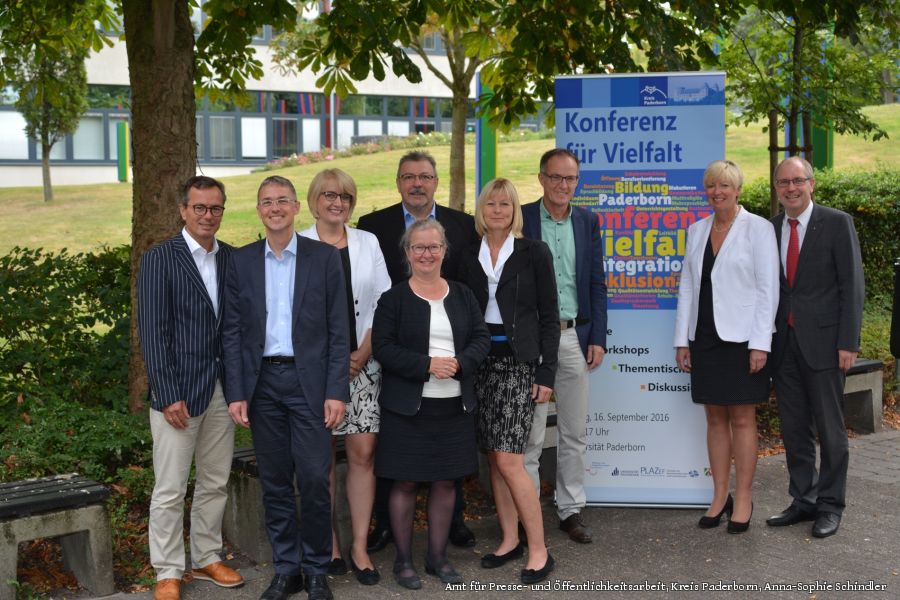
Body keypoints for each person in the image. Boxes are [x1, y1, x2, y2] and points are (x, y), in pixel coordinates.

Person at [222, 175, 349, 600]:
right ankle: (286, 567)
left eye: (282, 201)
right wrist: (236, 392)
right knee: (275, 481)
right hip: (261, 386)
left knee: (314, 478)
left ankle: (316, 567)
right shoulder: (239, 261)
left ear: (297, 207)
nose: (274, 208)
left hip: (309, 383)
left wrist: (337, 390)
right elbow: (233, 333)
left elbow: (338, 330)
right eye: (266, 202)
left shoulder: (324, 258)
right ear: (258, 210)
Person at [357, 151, 480, 551]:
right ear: (397, 182)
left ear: (436, 181)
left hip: (451, 357)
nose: (417, 183)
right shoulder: (374, 226)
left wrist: (456, 359)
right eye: (408, 176)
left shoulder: (462, 226)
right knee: (397, 461)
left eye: (424, 176)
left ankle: (453, 524)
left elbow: (469, 293)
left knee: (450, 464)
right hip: (399, 357)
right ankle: (386, 526)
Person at [138, 176, 243, 600]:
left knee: (216, 481)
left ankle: (206, 557)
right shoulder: (161, 258)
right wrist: (166, 393)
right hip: (178, 394)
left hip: (222, 390)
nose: (208, 215)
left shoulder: (233, 259)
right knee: (170, 487)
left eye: (215, 208)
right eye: (199, 207)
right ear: (183, 210)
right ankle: (167, 569)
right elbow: (153, 330)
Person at [371, 219, 490, 590]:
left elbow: (481, 338)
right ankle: (403, 561)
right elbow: (384, 348)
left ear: (444, 250)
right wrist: (426, 365)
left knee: (446, 482)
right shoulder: (394, 299)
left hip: (455, 407)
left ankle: (438, 557)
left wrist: (460, 363)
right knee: (404, 483)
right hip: (408, 409)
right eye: (418, 247)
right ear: (407, 253)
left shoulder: (462, 294)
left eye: (433, 246)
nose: (427, 254)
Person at [458, 178, 559, 583]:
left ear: (515, 210)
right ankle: (509, 538)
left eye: (505, 203)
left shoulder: (534, 252)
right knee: (494, 458)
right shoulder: (466, 255)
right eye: (490, 203)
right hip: (479, 363)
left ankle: (539, 549)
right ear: (481, 210)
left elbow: (550, 315)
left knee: (510, 459)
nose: (497, 210)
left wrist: (546, 371)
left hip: (519, 365)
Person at [673, 160, 779, 534]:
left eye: (725, 185)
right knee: (714, 417)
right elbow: (687, 287)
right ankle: (719, 496)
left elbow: (769, 290)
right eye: (711, 186)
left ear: (738, 190)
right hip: (704, 339)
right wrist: (681, 339)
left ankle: (744, 497)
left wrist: (760, 343)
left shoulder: (759, 229)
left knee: (742, 418)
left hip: (743, 340)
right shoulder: (697, 230)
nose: (717, 191)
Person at [299, 168, 391, 585]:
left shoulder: (367, 242)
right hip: (314, 372)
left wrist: (361, 354)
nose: (337, 203)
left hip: (363, 365)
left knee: (362, 456)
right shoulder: (298, 243)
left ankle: (357, 546)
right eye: (329, 195)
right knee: (320, 461)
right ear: (314, 199)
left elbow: (383, 303)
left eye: (346, 198)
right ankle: (329, 546)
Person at [765, 156, 864, 539]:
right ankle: (803, 499)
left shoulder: (837, 223)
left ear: (812, 184)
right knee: (794, 429)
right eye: (783, 182)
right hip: (783, 345)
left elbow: (851, 286)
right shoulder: (770, 229)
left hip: (825, 344)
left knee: (831, 430)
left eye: (797, 181)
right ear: (776, 188)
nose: (791, 188)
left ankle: (831, 505)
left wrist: (848, 342)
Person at [521, 148, 607, 544]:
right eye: (555, 177)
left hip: (573, 336)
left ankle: (570, 509)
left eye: (570, 179)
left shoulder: (588, 221)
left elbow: (596, 283)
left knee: (574, 431)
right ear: (541, 178)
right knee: (532, 434)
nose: (563, 185)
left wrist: (598, 337)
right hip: (534, 339)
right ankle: (526, 515)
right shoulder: (522, 218)